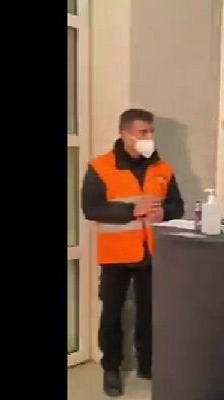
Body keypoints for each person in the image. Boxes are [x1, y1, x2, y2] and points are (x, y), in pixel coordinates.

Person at [82, 108, 184, 397]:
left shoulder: (163, 169)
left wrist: (165, 212)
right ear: (125, 134)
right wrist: (132, 210)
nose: (149, 137)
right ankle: (111, 369)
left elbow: (177, 206)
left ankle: (147, 365)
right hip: (116, 256)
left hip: (152, 253)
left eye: (151, 131)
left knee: (149, 314)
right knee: (112, 315)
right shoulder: (100, 166)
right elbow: (92, 208)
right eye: (143, 132)